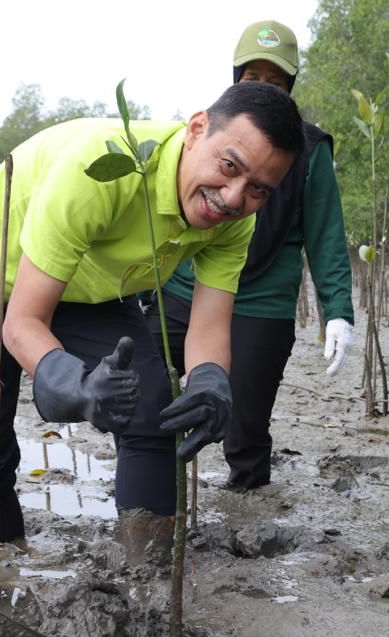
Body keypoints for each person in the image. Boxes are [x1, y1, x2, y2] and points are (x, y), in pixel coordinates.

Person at [0, 81, 304, 547]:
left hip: (92, 288)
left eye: (258, 190)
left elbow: (208, 328)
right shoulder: (101, 171)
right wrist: (76, 384)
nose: (232, 198)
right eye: (228, 166)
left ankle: (145, 571)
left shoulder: (237, 219)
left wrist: (211, 381)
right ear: (196, 128)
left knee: (151, 408)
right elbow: (22, 324)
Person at [146, 20, 354, 491]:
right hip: (185, 287)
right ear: (236, 80)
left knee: (245, 428)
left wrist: (337, 310)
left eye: (276, 82)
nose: (265, 89)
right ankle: (155, 493)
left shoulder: (311, 149)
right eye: (252, 80)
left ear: (291, 87)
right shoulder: (212, 130)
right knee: (150, 395)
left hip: (262, 299)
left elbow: (326, 234)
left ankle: (247, 508)